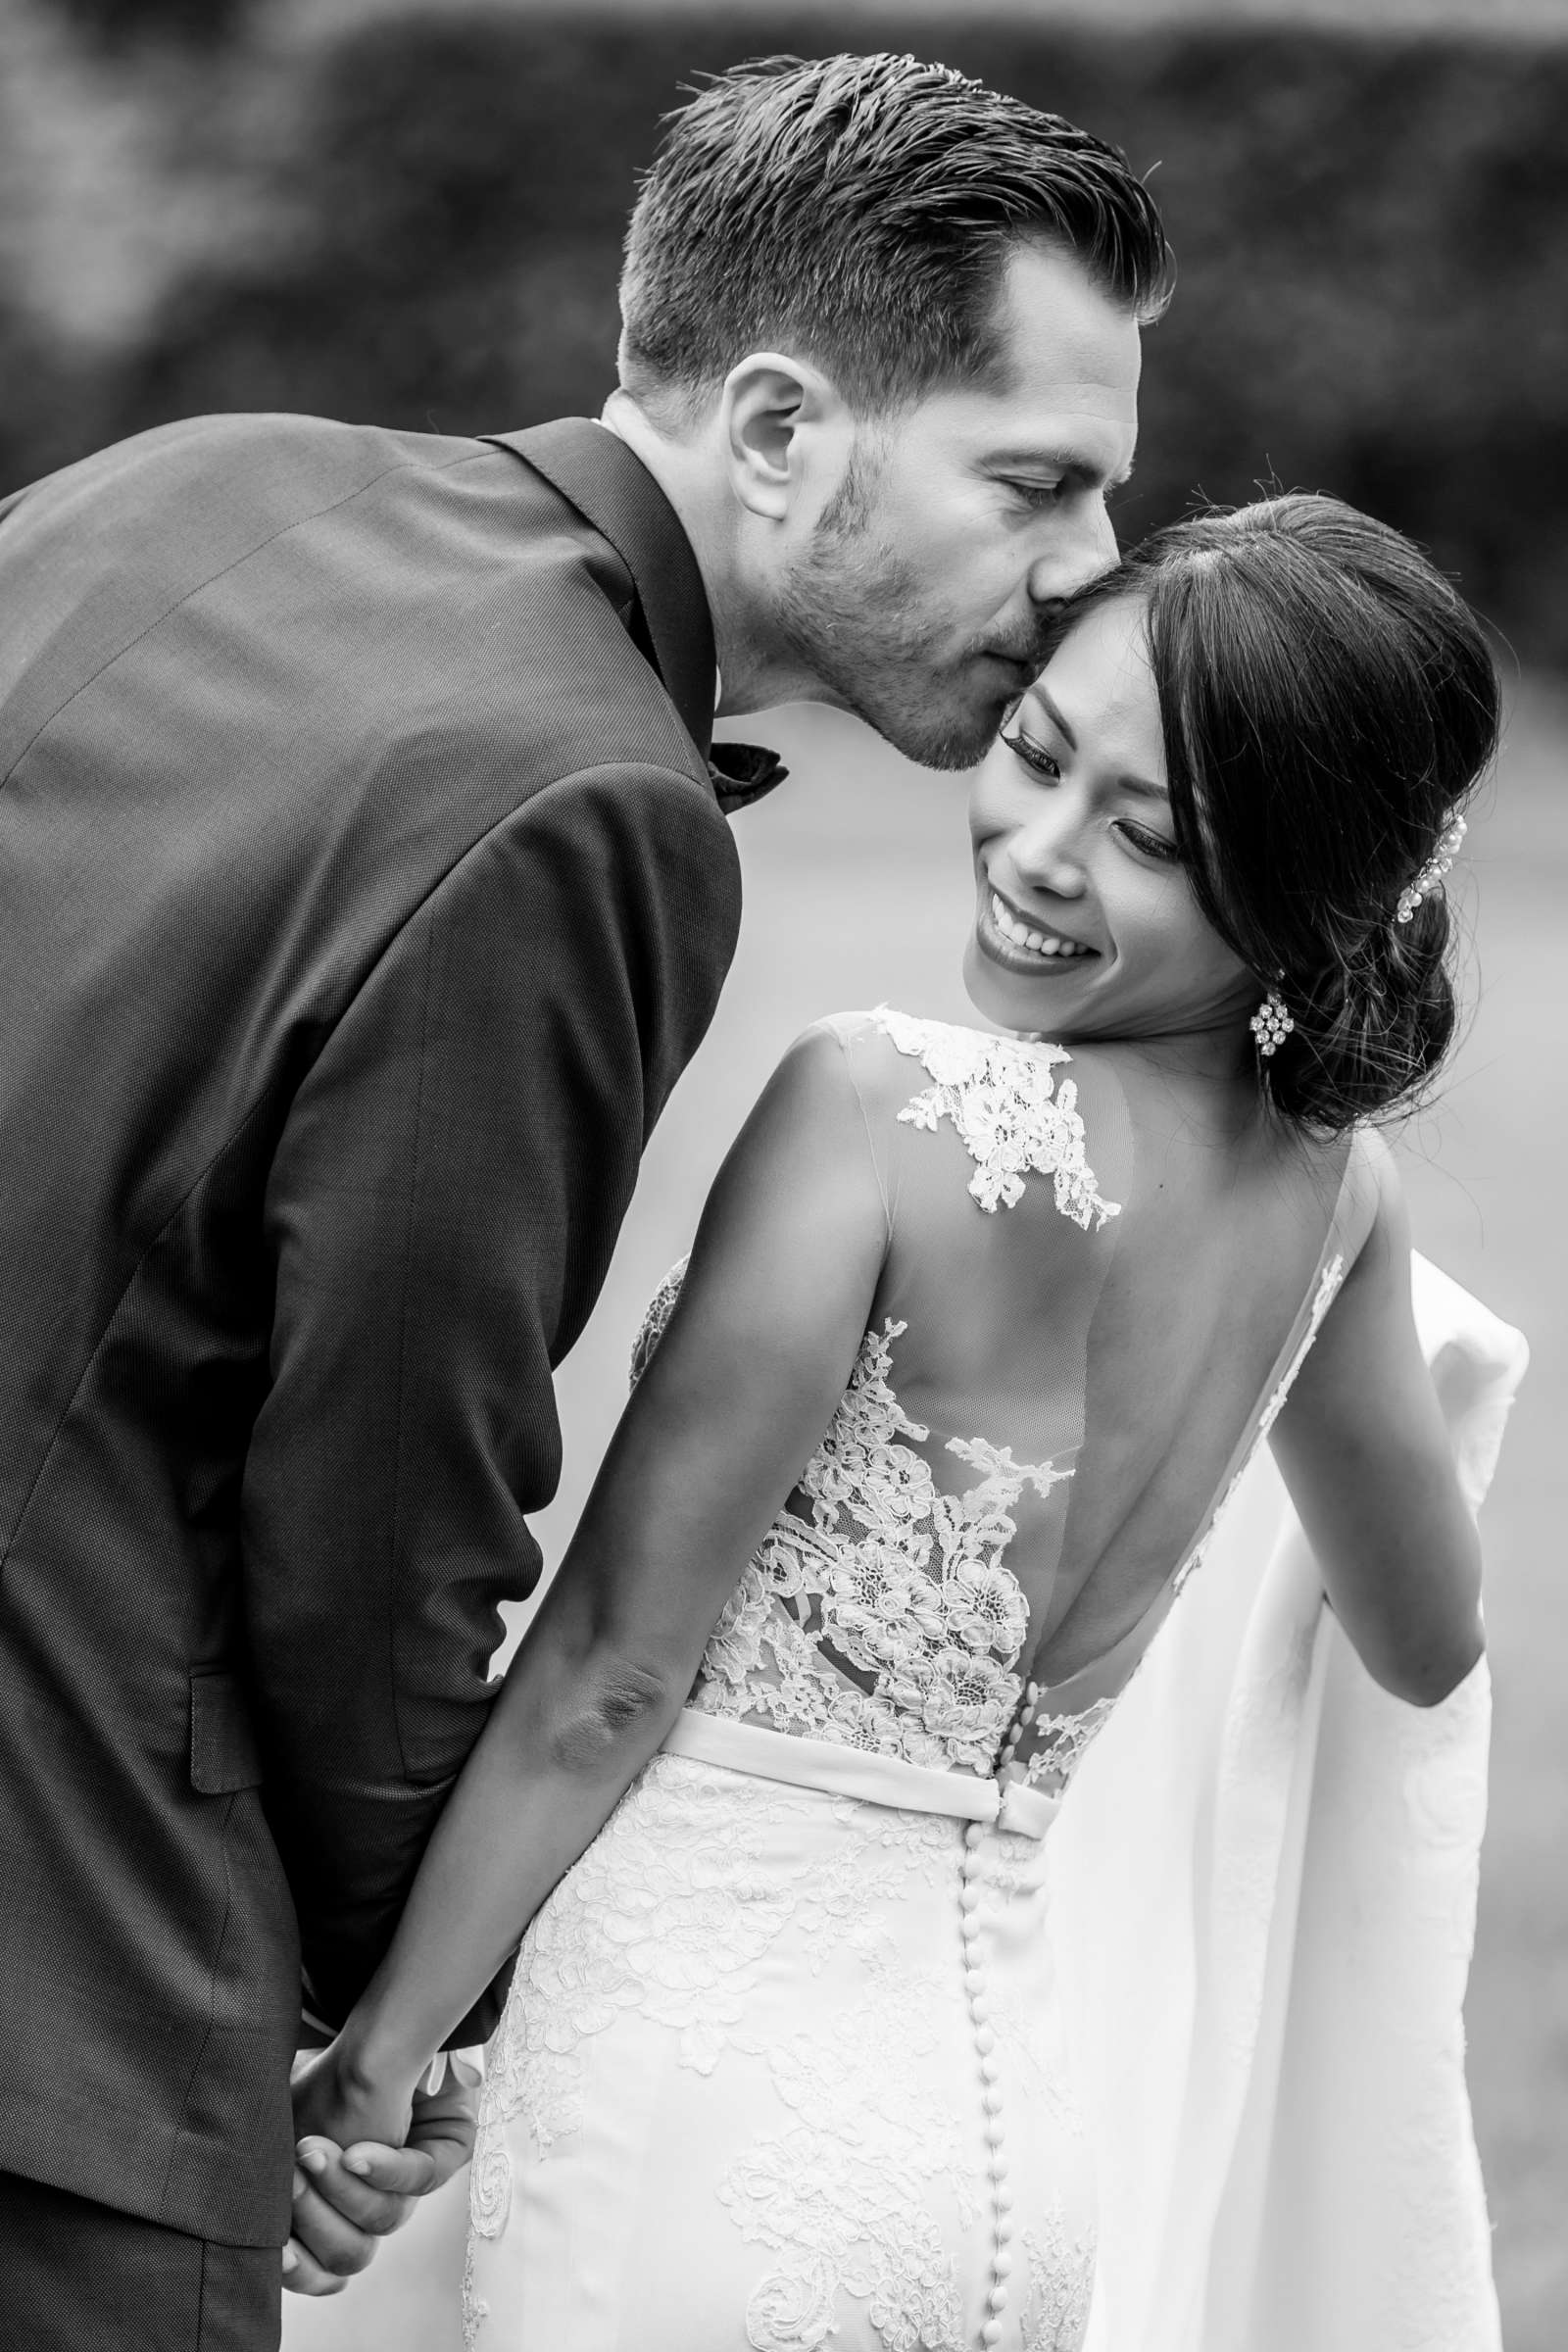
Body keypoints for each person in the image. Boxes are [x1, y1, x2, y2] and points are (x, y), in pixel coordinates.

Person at [0, 53, 1172, 2351]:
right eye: (1033, 481)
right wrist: (392, 2013)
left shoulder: (189, 483)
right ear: (771, 429)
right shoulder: (583, 801)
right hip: (66, 1995)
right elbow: (385, 1500)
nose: (1084, 576)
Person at [287, 490, 1511, 2351]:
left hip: (702, 2109)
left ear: (1311, 887)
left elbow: (616, 1672)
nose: (1036, 849)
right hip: (1011, 2168)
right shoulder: (1340, 1210)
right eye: (1035, 752)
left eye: (1150, 835)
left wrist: (378, 2059)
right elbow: (1429, 1641)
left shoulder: (877, 1106)